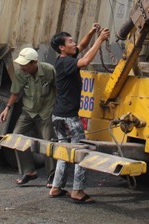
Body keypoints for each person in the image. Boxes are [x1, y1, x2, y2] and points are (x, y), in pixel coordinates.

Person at [48, 23, 110, 204]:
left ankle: (56, 187)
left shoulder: (62, 60)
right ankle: (77, 191)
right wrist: (100, 39)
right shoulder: (67, 63)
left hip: (58, 115)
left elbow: (81, 47)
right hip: (68, 117)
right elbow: (84, 61)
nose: (74, 43)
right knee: (80, 152)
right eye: (70, 41)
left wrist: (91, 32)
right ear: (62, 47)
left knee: (64, 150)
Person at [0, 47, 56, 187]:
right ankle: (29, 171)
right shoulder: (20, 73)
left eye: (24, 64)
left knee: (48, 142)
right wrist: (7, 108)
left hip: (45, 112)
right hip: (28, 111)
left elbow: (57, 88)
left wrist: (58, 109)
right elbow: (15, 92)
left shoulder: (49, 70)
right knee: (16, 137)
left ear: (34, 63)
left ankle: (52, 177)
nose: (21, 67)